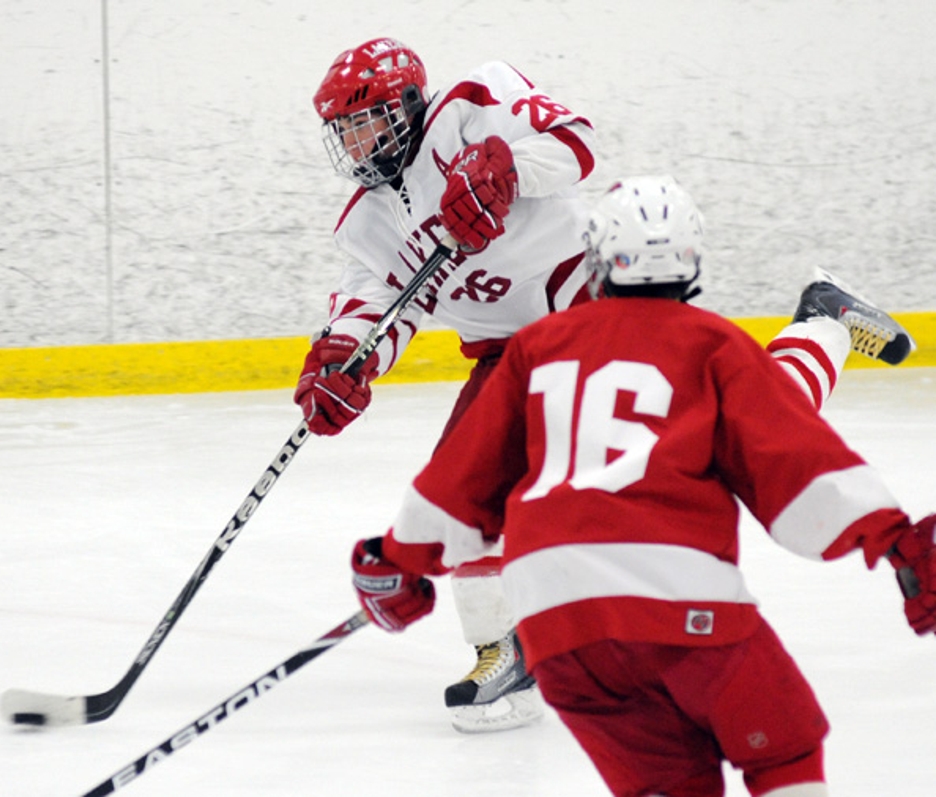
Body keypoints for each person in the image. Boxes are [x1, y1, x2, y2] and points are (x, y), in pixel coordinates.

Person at [296, 38, 916, 733]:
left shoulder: (473, 104)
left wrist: (507, 168)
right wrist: (343, 362)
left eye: (366, 122)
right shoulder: (366, 224)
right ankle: (504, 654)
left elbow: (578, 143)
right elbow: (374, 308)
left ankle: (824, 321)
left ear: (408, 104)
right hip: (508, 358)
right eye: (344, 131)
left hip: (598, 309)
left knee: (751, 433)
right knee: (463, 494)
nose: (356, 143)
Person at [347, 175, 936, 796]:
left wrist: (399, 558)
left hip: (557, 627)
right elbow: (798, 465)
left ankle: (824, 320)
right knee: (783, 746)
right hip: (680, 597)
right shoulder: (713, 345)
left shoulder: (535, 345)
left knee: (667, 780)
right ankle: (823, 322)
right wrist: (894, 541)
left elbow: (462, 479)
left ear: (597, 255)